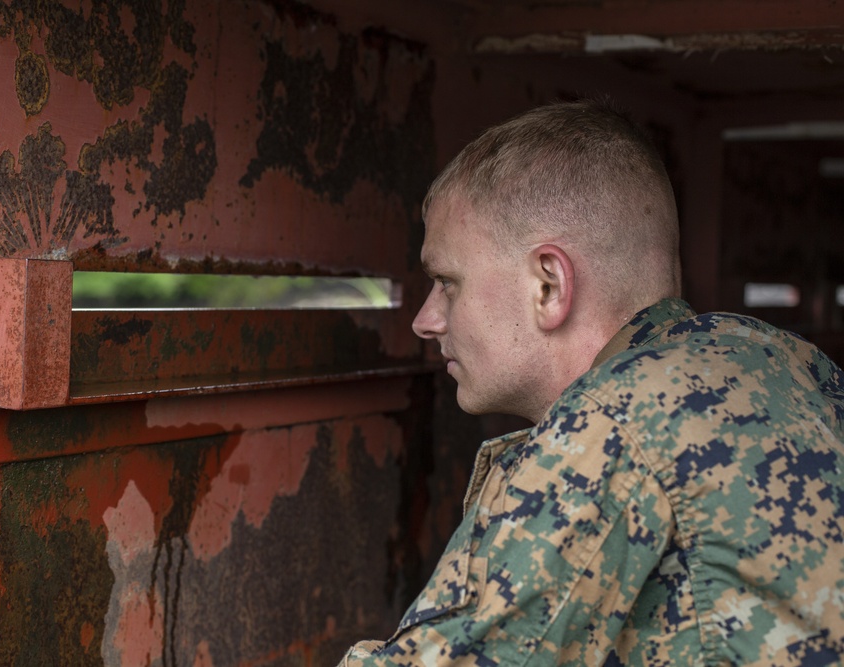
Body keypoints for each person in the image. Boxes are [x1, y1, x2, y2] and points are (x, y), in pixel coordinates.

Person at [338, 100, 844, 666]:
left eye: (447, 282)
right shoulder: (785, 360)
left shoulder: (615, 415)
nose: (425, 319)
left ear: (549, 286)